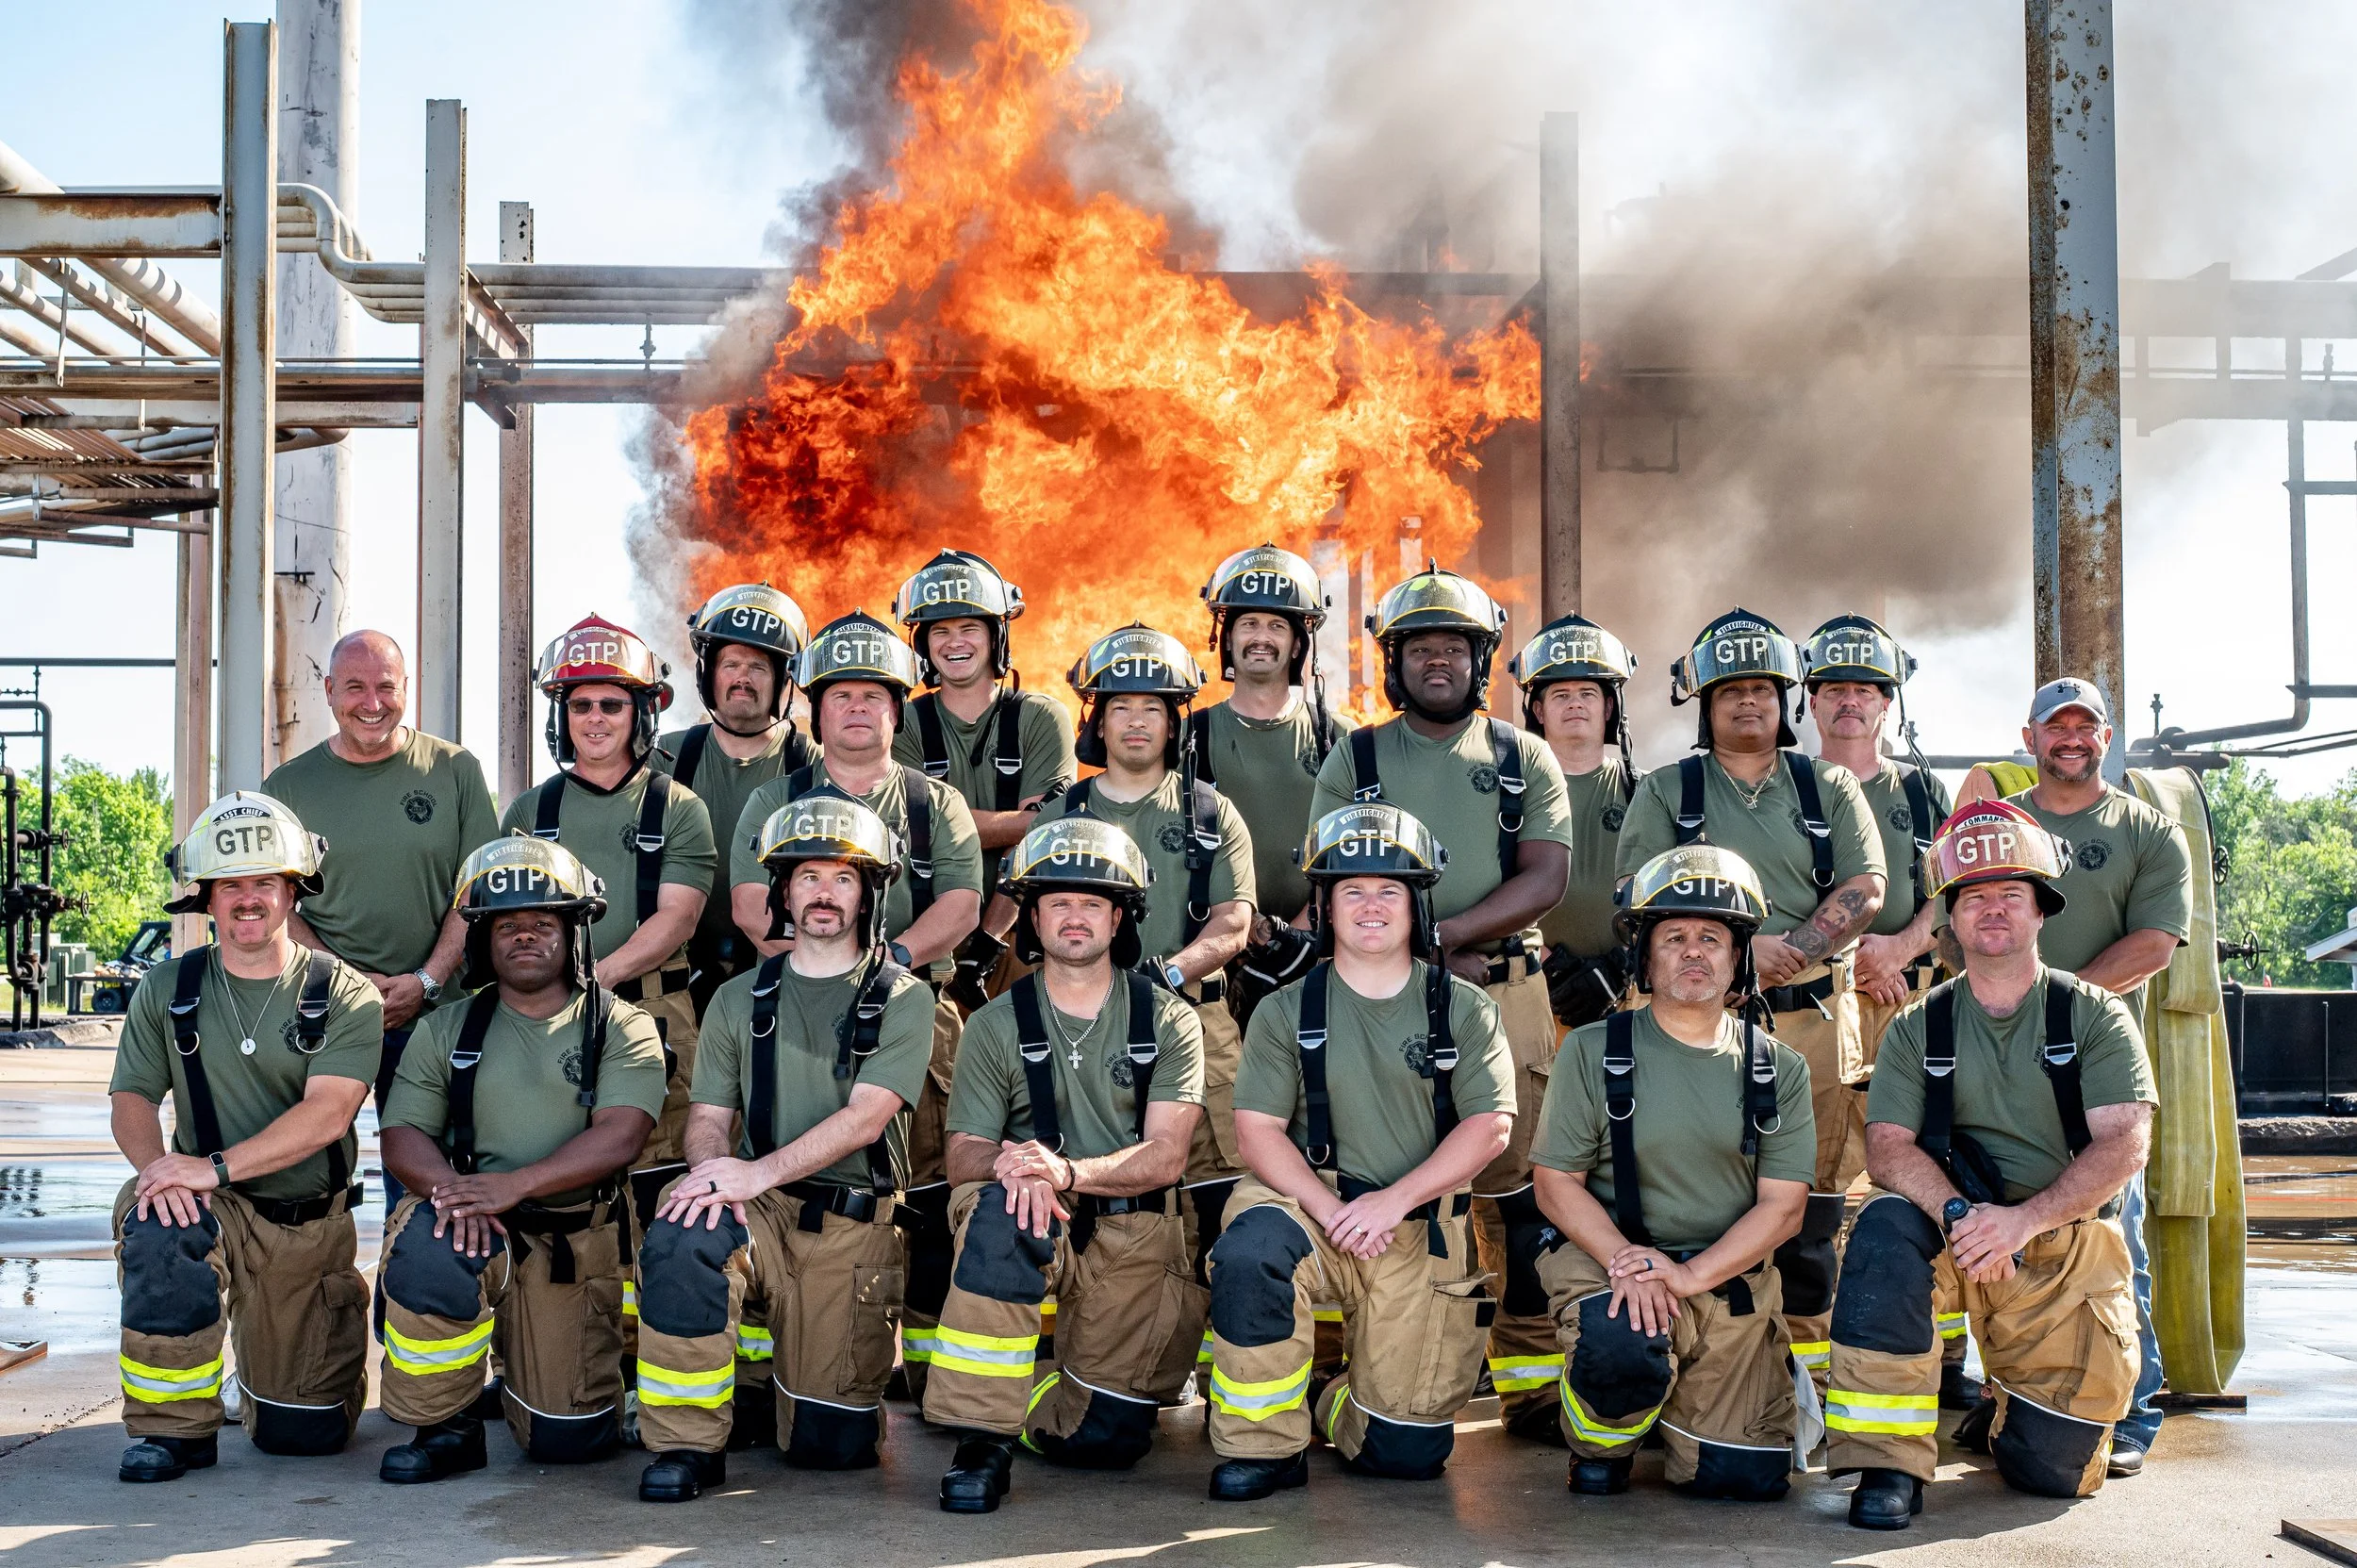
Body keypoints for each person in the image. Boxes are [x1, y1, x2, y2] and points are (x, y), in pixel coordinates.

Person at [1827, 801, 2153, 1529]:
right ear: (1950, 919)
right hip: (1957, 1229)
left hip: (2059, 1246)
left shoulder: (2096, 1016)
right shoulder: (1919, 1026)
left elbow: (2124, 1145)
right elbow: (1886, 1146)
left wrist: (2022, 1221)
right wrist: (1960, 1215)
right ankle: (1885, 1465)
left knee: (2049, 1475)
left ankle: (2006, 1415)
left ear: (2042, 911)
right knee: (1881, 1230)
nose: (1994, 909)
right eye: (1974, 896)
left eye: (2012, 893)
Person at [1307, 564, 1572, 1443]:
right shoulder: (1358, 755)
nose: (1438, 661)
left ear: (1481, 658)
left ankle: (1531, 1383)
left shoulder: (1521, 755)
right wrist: (1417, 957)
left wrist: (1444, 937)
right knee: (1384, 1181)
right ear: (1393, 659)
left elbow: (1546, 874)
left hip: (1505, 995)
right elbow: (1326, 874)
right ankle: (1358, 1365)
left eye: (1454, 647)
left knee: (1519, 1195)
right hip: (1380, 1002)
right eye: (1420, 647)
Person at [1204, 802, 1514, 1499]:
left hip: (1416, 1225)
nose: (1370, 905)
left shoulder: (1464, 1007)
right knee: (1252, 1251)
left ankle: (1329, 1401)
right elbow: (1256, 1128)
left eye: (1388, 890)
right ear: (1326, 905)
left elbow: (1489, 1125)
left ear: (1416, 905)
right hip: (1313, 1205)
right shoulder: (1286, 1008)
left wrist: (1392, 1201)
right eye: (1352, 890)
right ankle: (1265, 1446)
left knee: (1404, 1455)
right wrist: (1331, 1207)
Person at [634, 794, 937, 1501]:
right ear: (783, 891)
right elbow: (708, 1115)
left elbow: (867, 1119)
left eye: (841, 877)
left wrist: (752, 1171)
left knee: (831, 1449)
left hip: (851, 1225)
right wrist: (714, 1175)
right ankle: (686, 1444)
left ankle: (783, 1390)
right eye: (806, 877)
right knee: (683, 1235)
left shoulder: (904, 997)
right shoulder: (740, 997)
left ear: (868, 893)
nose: (823, 893)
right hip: (758, 1208)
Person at [1617, 607, 1887, 1388]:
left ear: (1785, 700)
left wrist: (1793, 949)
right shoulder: (1667, 790)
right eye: (1729, 689)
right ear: (1702, 702)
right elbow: (1632, 895)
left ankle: (1803, 1378)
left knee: (1811, 1205)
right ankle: (1679, 1357)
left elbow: (1866, 889)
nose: (1747, 703)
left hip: (1812, 1023)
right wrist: (1740, 953)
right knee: (1692, 1191)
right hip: (1696, 1031)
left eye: (1762, 689)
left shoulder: (1828, 786)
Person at [730, 611, 984, 1401]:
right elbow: (748, 906)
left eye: (874, 697)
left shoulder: (934, 802)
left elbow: (965, 904)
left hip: (921, 1010)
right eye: (840, 695)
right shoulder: (775, 798)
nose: (857, 710)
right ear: (816, 708)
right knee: (806, 1165)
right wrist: (824, 975)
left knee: (932, 1182)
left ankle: (926, 1355)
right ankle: (777, 1354)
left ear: (898, 712)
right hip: (794, 1009)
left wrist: (887, 969)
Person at [927, 817, 1207, 1513]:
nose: (1074, 916)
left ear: (1120, 917)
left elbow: (1167, 1154)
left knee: (1105, 1437)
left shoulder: (1170, 1021)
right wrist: (1017, 1165)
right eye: (1057, 902)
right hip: (1034, 1208)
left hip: (1133, 1231)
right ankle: (980, 1439)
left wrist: (1067, 1170)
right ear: (1033, 916)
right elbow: (961, 1152)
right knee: (1001, 1212)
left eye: (1091, 902)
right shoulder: (993, 1021)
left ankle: (1032, 1388)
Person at [375, 837, 668, 1482]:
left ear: (573, 933)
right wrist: (455, 1193)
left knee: (568, 1443)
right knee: (428, 1243)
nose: (525, 936)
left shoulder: (620, 1025)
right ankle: (444, 1426)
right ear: (482, 940)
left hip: (572, 1239)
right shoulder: (446, 1028)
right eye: (508, 925)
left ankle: (532, 1378)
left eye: (542, 922)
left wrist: (516, 1183)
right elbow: (400, 1134)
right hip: (476, 1223)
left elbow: (623, 1133)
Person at [108, 794, 380, 1481]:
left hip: (307, 1226)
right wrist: (160, 1172)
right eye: (232, 884)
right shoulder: (168, 988)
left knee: (304, 1434)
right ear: (207, 896)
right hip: (213, 1209)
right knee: (161, 1224)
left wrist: (211, 1167)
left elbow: (328, 1114)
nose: (249, 898)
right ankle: (173, 1429)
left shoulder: (347, 995)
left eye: (265, 881)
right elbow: (132, 1098)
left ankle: (265, 1376)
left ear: (293, 890)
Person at [1532, 844, 1814, 1500]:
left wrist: (1687, 1276)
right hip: (1611, 1267)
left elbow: (1785, 1208)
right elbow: (1555, 1183)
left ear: (1738, 957)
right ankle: (1604, 1441)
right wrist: (1629, 1261)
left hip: (1722, 1280)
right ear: (1646, 958)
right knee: (1619, 1346)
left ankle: (1679, 1413)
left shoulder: (1780, 1068)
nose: (1694, 952)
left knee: (1738, 1480)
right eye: (1675, 937)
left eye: (1712, 938)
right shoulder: (1592, 1050)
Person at [1994, 676, 2192, 1476]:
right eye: (2055, 726)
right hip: (2000, 1067)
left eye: (2086, 725)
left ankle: (2136, 1414)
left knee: (2118, 1237)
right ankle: (2018, 1397)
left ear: (2106, 738)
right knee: (2004, 1228)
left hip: (2101, 1068)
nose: (2070, 737)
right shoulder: (2001, 827)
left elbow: (2154, 942)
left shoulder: (2147, 829)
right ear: (2030, 736)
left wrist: (2059, 1004)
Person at [1014, 623, 1256, 1276]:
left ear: (1176, 723)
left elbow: (1233, 923)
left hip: (1198, 1021)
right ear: (1096, 720)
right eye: (1120, 706)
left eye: (1153, 707)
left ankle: (1204, 1355)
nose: (1137, 721)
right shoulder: (1058, 814)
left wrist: (1162, 974)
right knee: (1093, 1177)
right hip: (1080, 1025)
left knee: (1218, 1189)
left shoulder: (1212, 815)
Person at [262, 629, 498, 1208]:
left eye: (386, 687)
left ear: (406, 689)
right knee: (304, 1185)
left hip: (434, 1017)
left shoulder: (455, 770)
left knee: (425, 1189)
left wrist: (427, 981)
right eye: (355, 688)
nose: (372, 703)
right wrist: (348, 986)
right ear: (328, 691)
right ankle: (316, 1291)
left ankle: (404, 1297)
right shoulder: (287, 787)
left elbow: (476, 893)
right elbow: (276, 905)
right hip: (319, 1014)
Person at [1800, 616, 1970, 1402]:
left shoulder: (1920, 789)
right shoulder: (1793, 786)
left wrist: (1899, 948)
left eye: (1866, 690)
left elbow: (1954, 893)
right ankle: (1810, 1358)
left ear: (1887, 704)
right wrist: (1845, 962)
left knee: (1923, 1163)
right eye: (1834, 689)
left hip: (1909, 1000)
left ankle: (1939, 1357)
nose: (1850, 704)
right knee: (1816, 1176)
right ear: (1810, 700)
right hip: (1816, 1006)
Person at [891, 550, 1076, 1008]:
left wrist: (989, 938)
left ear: (996, 637)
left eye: (969, 627)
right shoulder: (898, 721)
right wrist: (1019, 821)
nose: (956, 642)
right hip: (923, 942)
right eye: (940, 631)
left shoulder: (1041, 717)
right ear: (923, 644)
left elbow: (1046, 838)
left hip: (1023, 942)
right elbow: (910, 831)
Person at [1189, 544, 1352, 1026]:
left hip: (1320, 960)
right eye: (1249, 624)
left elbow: (1355, 847)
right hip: (1214, 964)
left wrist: (1298, 938)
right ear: (1228, 638)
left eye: (1277, 625)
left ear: (1299, 643)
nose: (1262, 638)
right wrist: (1242, 939)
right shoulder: (1188, 738)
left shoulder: (1338, 740)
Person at [655, 582, 816, 1019]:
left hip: (781, 969)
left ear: (785, 679)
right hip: (675, 978)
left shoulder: (817, 766)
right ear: (708, 673)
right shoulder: (660, 760)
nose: (743, 678)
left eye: (759, 667)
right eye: (731, 664)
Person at [1510, 613, 1643, 1032]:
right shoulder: (1507, 792)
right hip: (1536, 995)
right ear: (1538, 710)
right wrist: (1547, 965)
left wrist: (1626, 964)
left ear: (1609, 707)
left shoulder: (1648, 792)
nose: (1575, 703)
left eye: (1588, 692)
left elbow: (1668, 886)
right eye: (1560, 694)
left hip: (1632, 999)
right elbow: (1483, 884)